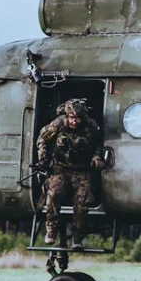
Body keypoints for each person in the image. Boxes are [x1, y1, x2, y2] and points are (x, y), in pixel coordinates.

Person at [36, 98, 106, 250]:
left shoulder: (91, 126)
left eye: (78, 118)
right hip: (60, 169)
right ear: (67, 116)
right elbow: (42, 139)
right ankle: (51, 229)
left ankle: (77, 238)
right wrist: (43, 157)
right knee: (54, 192)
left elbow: (98, 144)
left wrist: (96, 156)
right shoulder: (58, 124)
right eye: (72, 118)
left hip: (82, 171)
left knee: (83, 200)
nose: (75, 121)